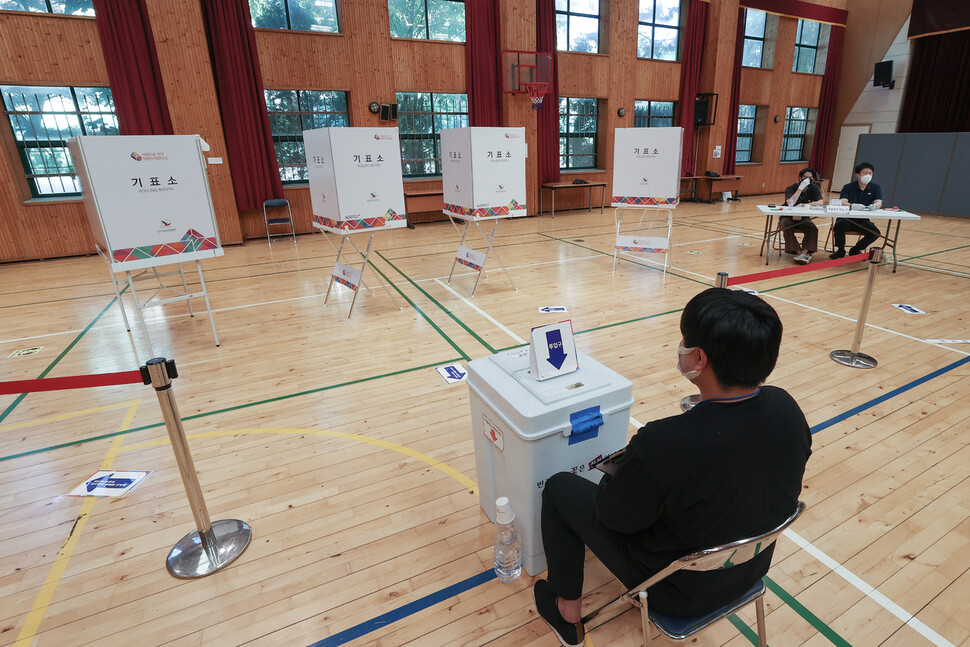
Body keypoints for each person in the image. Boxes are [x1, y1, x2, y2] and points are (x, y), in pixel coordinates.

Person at [533, 288, 811, 647]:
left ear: (698, 357)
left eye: (684, 340)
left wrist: (626, 478)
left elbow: (615, 518)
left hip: (674, 591)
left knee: (559, 488)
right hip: (749, 571)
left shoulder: (664, 441)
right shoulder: (788, 410)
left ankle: (567, 615)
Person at [831, 161, 883, 259]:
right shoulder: (848, 187)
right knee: (839, 225)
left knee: (875, 232)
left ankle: (856, 249)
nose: (868, 175)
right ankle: (840, 250)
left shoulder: (875, 187)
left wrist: (875, 206)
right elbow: (842, 201)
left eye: (870, 173)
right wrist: (852, 206)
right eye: (865, 173)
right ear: (858, 175)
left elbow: (879, 202)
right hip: (847, 218)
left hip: (863, 220)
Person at [781, 167, 823, 264]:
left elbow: (820, 202)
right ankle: (798, 253)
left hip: (803, 216)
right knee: (787, 226)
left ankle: (804, 253)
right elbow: (790, 203)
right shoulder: (791, 188)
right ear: (800, 178)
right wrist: (800, 189)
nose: (808, 180)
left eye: (810, 178)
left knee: (812, 228)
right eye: (805, 177)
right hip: (788, 216)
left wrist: (805, 205)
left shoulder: (814, 188)